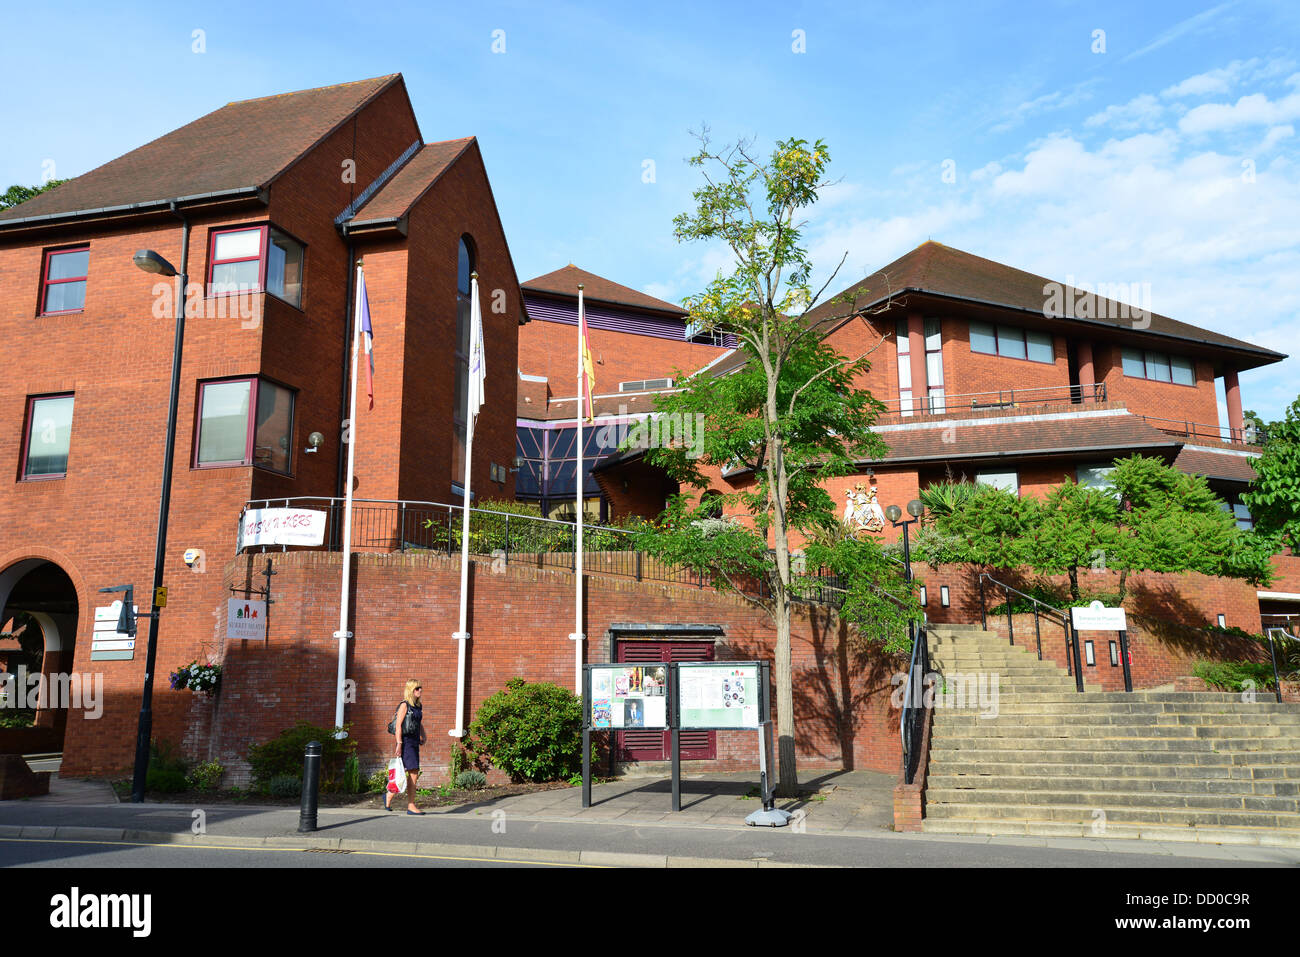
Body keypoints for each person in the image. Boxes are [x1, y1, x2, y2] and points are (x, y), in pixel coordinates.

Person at [387, 679, 426, 814]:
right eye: (417, 688)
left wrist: (423, 735)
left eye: (420, 688)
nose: (420, 690)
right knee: (413, 772)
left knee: (403, 772)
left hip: (414, 741)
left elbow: (418, 722)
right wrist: (399, 744)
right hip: (406, 741)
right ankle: (411, 805)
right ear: (411, 690)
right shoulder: (404, 705)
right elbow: (398, 726)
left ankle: (388, 796)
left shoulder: (418, 706)